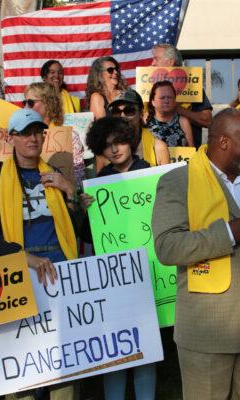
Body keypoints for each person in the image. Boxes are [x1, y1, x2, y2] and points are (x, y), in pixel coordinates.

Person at [152, 109, 240, 400]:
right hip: (207, 331)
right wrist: (227, 234)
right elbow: (167, 247)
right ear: (223, 142)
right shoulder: (179, 182)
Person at [0, 108, 78, 400]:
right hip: (18, 270)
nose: (33, 138)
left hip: (59, 269)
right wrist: (24, 258)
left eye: (38, 131)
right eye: (24, 133)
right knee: (22, 365)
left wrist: (69, 191)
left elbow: (79, 231)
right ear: (11, 138)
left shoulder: (55, 175)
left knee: (63, 361)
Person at [84, 117, 156, 399]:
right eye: (107, 146)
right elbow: (90, 234)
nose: (114, 150)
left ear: (131, 140)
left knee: (145, 346)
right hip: (111, 276)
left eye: (120, 142)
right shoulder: (100, 180)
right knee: (113, 345)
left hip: (145, 273)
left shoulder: (149, 173)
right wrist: (85, 208)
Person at [23, 82, 86, 186]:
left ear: (49, 104)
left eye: (30, 102)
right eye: (24, 103)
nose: (25, 107)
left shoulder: (70, 137)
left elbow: (78, 181)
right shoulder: (20, 137)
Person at [151, 44, 212, 148]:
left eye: (156, 59)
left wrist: (178, 109)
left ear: (170, 62)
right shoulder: (147, 88)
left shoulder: (192, 87)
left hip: (186, 157)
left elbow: (208, 121)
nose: (152, 64)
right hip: (152, 157)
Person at [107, 90, 170, 167]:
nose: (122, 116)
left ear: (141, 113)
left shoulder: (158, 148)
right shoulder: (106, 149)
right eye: (116, 111)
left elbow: (165, 179)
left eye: (129, 110)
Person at [146, 80, 194, 147]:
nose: (166, 101)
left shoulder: (183, 121)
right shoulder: (145, 121)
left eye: (170, 97)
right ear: (152, 102)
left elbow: (191, 151)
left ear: (174, 100)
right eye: (162, 98)